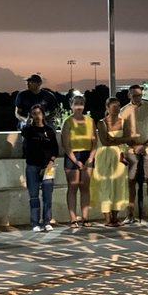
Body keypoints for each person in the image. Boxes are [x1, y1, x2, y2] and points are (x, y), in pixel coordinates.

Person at [119, 84, 148, 222]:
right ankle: (130, 213)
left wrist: (145, 145)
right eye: (134, 95)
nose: (137, 98)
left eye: (139, 95)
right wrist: (135, 145)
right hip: (132, 150)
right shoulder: (124, 111)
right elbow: (123, 132)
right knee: (131, 181)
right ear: (129, 95)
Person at [92, 96, 131, 226]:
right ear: (108, 108)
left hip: (119, 157)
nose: (117, 109)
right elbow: (104, 141)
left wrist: (115, 140)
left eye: (119, 106)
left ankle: (115, 216)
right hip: (104, 157)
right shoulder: (102, 123)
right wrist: (121, 140)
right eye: (114, 106)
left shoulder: (124, 122)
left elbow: (129, 139)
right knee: (105, 186)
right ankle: (108, 218)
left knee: (118, 186)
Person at [60, 94, 96, 228]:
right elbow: (65, 144)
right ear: (71, 105)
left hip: (88, 155)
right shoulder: (68, 122)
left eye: (81, 103)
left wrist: (90, 158)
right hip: (72, 156)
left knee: (85, 188)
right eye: (76, 103)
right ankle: (73, 219)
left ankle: (85, 218)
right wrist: (76, 161)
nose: (79, 106)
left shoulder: (90, 121)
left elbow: (94, 141)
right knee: (73, 187)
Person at [21, 104, 58, 232]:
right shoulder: (29, 130)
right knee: (34, 195)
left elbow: (55, 149)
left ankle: (47, 221)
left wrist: (51, 162)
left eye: (39, 113)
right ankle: (35, 222)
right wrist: (28, 122)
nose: (37, 116)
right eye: (34, 113)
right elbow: (24, 133)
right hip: (32, 165)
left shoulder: (49, 130)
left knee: (47, 195)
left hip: (47, 166)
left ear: (43, 114)